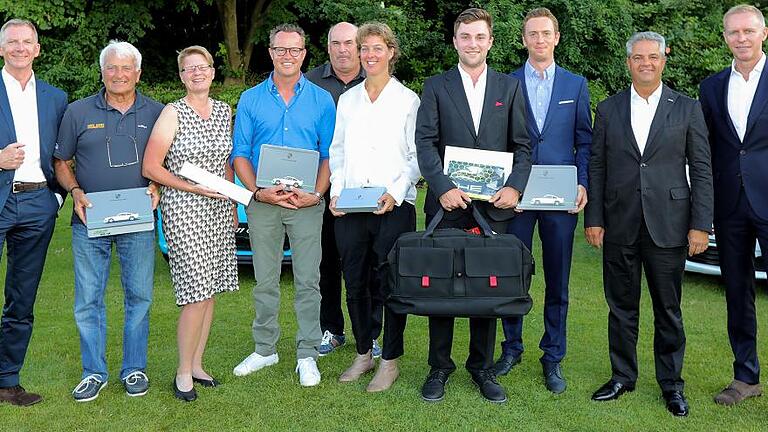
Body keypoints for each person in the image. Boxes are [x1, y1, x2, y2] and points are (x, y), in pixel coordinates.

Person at [584, 31, 713, 417]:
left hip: (669, 225)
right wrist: (594, 219)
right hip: (620, 223)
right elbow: (597, 166)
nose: (646, 63)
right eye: (638, 57)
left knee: (668, 309)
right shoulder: (608, 109)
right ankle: (622, 376)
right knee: (621, 307)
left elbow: (702, 169)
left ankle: (672, 385)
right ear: (628, 62)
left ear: (663, 60)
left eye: (653, 57)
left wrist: (700, 224)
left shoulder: (687, 108)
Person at [415, 8, 532, 403]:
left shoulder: (509, 87)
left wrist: (516, 187)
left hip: (494, 208)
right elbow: (425, 143)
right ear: (455, 41)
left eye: (480, 37)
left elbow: (524, 145)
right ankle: (439, 367)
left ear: (491, 41)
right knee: (442, 288)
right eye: (465, 37)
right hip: (447, 204)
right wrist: (442, 185)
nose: (473, 44)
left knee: (487, 287)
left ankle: (481, 367)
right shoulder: (435, 86)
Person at [54, 40, 164, 402]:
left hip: (138, 220)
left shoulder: (158, 112)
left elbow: (168, 161)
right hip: (89, 220)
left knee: (140, 296)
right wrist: (74, 191)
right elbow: (61, 161)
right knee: (88, 299)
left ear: (138, 72)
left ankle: (134, 368)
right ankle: (93, 372)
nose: (119, 75)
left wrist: (157, 185)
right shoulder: (78, 111)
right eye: (111, 68)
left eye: (126, 67)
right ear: (102, 72)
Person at [231, 24, 335, 387]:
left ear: (305, 54)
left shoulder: (322, 100)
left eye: (294, 50)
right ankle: (265, 348)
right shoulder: (250, 99)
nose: (287, 56)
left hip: (306, 203)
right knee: (264, 280)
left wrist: (317, 194)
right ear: (270, 52)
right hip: (264, 203)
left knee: (308, 280)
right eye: (280, 49)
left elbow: (328, 155)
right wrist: (256, 192)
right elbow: (240, 154)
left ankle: (307, 352)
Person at [494, 7, 592, 394]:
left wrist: (582, 183)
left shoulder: (575, 85)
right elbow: (497, 141)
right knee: (512, 275)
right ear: (523, 40)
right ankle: (511, 347)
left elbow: (583, 140)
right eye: (532, 34)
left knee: (558, 280)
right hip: (517, 197)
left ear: (556, 37)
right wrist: (506, 185)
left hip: (560, 197)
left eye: (545, 33)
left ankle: (553, 356)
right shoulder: (506, 83)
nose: (539, 40)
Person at [142, 46, 238, 402]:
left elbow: (224, 163)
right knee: (195, 292)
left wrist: (229, 203)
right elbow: (152, 167)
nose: (197, 73)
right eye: (189, 68)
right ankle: (183, 371)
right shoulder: (173, 113)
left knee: (209, 291)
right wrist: (191, 187)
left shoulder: (224, 110)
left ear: (213, 72)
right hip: (184, 208)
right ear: (182, 76)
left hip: (217, 209)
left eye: (203, 67)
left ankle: (197, 364)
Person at [328, 22, 420, 392]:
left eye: (376, 48)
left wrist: (395, 192)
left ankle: (390, 360)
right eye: (364, 48)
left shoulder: (408, 100)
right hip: (351, 207)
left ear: (391, 52)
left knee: (390, 283)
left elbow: (417, 157)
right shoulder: (347, 100)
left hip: (392, 206)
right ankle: (364, 352)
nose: (369, 55)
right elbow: (337, 151)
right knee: (355, 282)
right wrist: (336, 190)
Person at [699, 4, 768, 406]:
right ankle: (745, 377)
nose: (741, 38)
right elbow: (705, 149)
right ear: (724, 37)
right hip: (730, 207)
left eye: (748, 31)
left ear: (763, 33)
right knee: (737, 292)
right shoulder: (711, 87)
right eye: (733, 32)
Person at [0, 19, 67, 407]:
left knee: (21, 300)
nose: (21, 47)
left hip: (38, 204)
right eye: (13, 42)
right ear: (3, 48)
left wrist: (56, 199)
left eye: (27, 42)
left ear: (38, 49)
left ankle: (7, 380)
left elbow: (64, 153)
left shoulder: (55, 97)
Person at [306, 22, 373, 357]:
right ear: (327, 46)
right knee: (326, 264)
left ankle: (371, 332)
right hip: (323, 189)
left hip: (365, 189)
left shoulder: (376, 79)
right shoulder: (311, 83)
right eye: (336, 43)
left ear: (359, 45)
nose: (343, 49)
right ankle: (331, 329)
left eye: (350, 43)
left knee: (367, 265)